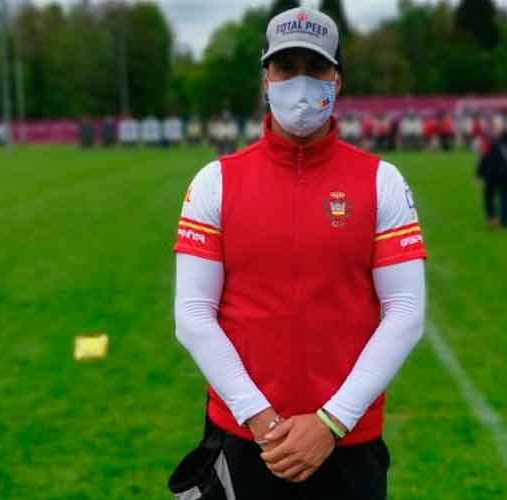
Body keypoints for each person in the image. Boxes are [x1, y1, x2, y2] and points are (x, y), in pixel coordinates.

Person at [171, 7, 427, 500]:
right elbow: (192, 315)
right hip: (246, 442)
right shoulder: (215, 182)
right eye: (287, 69)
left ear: (338, 79)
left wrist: (331, 423)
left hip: (349, 443)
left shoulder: (383, 181)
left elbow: (406, 312)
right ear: (266, 78)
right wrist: (263, 420)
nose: (301, 84)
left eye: (316, 69)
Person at [475, 130, 507, 229]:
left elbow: (484, 158)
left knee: (488, 196)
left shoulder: (491, 144)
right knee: (505, 197)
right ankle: (505, 222)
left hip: (492, 174)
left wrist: (478, 174)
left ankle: (492, 219)